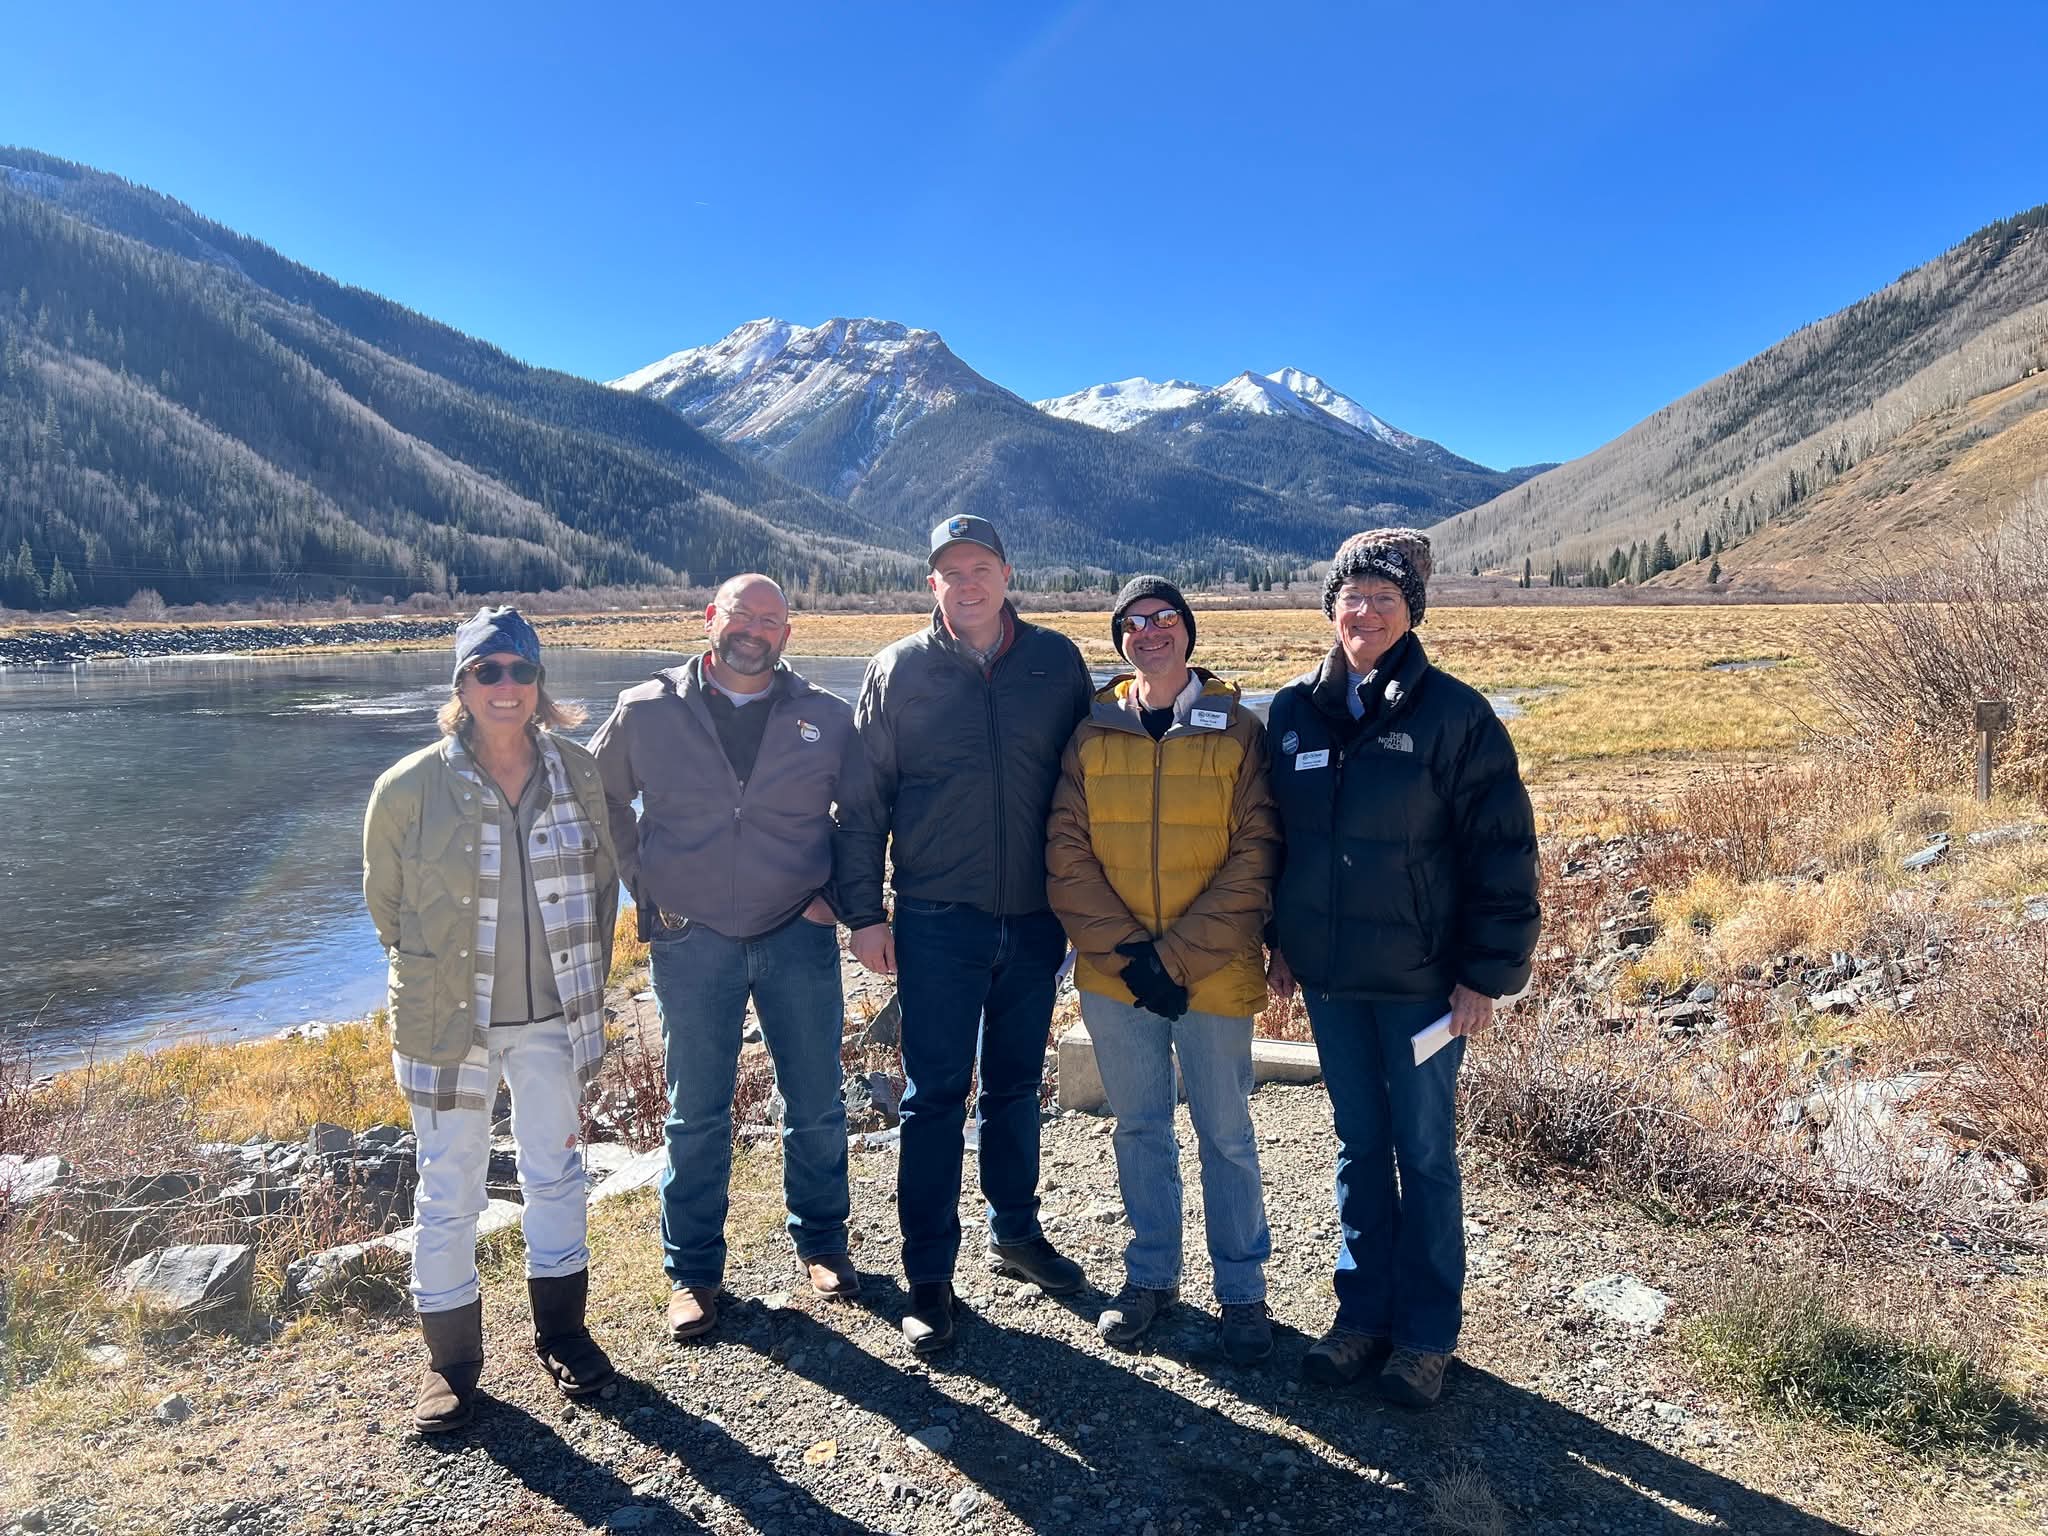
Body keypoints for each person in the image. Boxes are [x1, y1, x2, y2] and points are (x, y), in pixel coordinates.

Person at [1266, 530, 1539, 1409]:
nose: (1367, 612)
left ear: (1411, 612)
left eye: (1387, 598)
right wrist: (1280, 942)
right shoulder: (1294, 714)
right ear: (1330, 608)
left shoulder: (1455, 717)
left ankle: (1425, 1338)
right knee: (1357, 1146)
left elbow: (1502, 855)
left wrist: (1484, 976)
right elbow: (1278, 843)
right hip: (1335, 985)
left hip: (1425, 987)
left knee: (1422, 1153)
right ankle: (1361, 1321)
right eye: (1353, 596)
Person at [834, 515, 1095, 1353]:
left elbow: (1094, 785)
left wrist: (1094, 908)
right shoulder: (897, 670)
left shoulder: (1057, 662)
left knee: (1018, 1085)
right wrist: (865, 915)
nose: (968, 583)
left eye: (981, 566)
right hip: (936, 920)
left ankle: (1015, 1233)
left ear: (1008, 574)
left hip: (1035, 916)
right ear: (932, 584)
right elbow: (862, 802)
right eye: (952, 571)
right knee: (934, 1097)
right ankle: (930, 1276)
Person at [363, 606, 621, 1433]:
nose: (506, 687)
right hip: (448, 1023)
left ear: (540, 685)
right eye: (488, 672)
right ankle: (451, 1366)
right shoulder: (405, 789)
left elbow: (604, 879)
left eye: (521, 671)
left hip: (555, 1015)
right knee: (447, 1192)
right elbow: (386, 911)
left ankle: (564, 1333)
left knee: (558, 1174)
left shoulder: (579, 772)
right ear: (462, 686)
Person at [589, 575, 860, 1342]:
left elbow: (866, 810)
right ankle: (694, 1273)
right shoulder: (646, 709)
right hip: (690, 936)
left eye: (771, 620)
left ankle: (823, 1244)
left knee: (815, 1102)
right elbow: (601, 798)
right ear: (712, 619)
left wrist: (836, 893)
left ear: (788, 634)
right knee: (695, 1112)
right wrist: (644, 880)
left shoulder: (826, 717)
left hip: (796, 933)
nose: (755, 630)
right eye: (742, 615)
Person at [1046, 576, 1281, 1362]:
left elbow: (1256, 858)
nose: (1150, 632)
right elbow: (1066, 854)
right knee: (1141, 1127)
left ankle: (1243, 1293)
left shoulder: (1239, 730)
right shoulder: (1090, 733)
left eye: (1165, 619)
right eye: (1134, 623)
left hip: (1212, 973)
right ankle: (1151, 1277)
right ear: (1120, 641)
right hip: (1117, 981)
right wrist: (1128, 956)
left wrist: (1173, 958)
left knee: (1226, 1133)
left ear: (1188, 632)